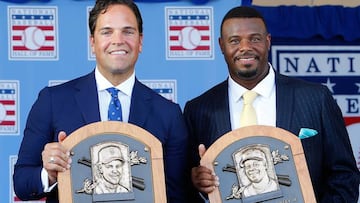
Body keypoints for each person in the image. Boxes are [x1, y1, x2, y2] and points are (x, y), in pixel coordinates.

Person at [13, 0, 188, 202]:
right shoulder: (53, 101)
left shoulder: (168, 113)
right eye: (107, 32)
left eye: (128, 31)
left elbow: (178, 194)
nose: (118, 40)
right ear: (92, 42)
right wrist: (50, 173)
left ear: (140, 41)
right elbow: (22, 183)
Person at [184, 6, 360, 203]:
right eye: (234, 40)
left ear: (268, 41)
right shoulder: (198, 110)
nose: (245, 47)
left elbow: (344, 176)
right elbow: (184, 183)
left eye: (255, 39)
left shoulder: (316, 98)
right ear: (221, 45)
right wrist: (197, 182)